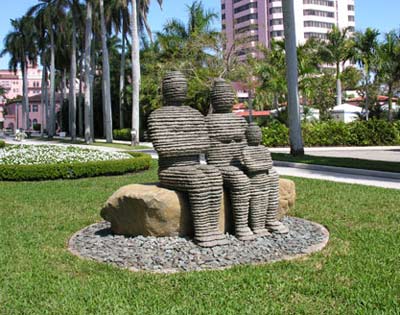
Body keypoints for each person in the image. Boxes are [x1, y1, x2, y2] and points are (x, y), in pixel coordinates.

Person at [147, 71, 228, 247]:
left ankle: (213, 228)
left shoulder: (195, 114)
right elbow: (164, 148)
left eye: (182, 85)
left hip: (194, 164)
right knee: (198, 180)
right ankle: (202, 231)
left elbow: (205, 144)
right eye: (174, 85)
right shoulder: (157, 116)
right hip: (171, 169)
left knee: (214, 174)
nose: (179, 88)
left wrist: (181, 142)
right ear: (165, 90)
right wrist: (189, 141)